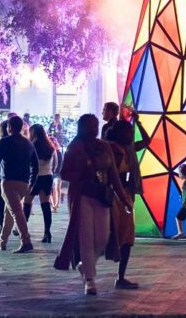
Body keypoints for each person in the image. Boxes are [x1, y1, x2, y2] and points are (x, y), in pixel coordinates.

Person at [54, 114, 132, 296]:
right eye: (90, 125)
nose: (94, 128)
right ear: (83, 127)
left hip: (103, 196)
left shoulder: (104, 146)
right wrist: (83, 173)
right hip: (82, 196)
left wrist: (123, 198)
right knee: (86, 237)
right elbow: (64, 173)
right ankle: (90, 280)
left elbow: (113, 174)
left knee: (103, 237)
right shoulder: (74, 148)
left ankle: (86, 266)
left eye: (95, 124)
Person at [0, 115, 39, 253]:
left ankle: (26, 241)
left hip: (8, 182)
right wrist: (31, 183)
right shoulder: (28, 143)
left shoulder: (4, 142)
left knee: (16, 212)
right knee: (10, 211)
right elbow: (35, 166)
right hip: (24, 183)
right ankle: (2, 241)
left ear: (9, 127)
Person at [107, 116, 149, 288]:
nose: (132, 135)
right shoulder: (110, 149)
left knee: (126, 235)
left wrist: (138, 123)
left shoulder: (129, 148)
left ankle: (121, 277)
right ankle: (87, 267)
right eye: (130, 132)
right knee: (110, 232)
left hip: (127, 192)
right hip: (113, 194)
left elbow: (147, 141)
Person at [24, 124, 57, 243]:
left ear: (33, 133)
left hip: (34, 178)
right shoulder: (51, 147)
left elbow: (27, 163)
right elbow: (55, 164)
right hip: (47, 177)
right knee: (45, 205)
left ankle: (23, 230)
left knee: (27, 203)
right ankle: (47, 233)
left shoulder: (31, 146)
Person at [50, 134, 64, 212]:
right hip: (51, 172)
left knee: (56, 187)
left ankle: (56, 203)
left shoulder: (58, 152)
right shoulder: (49, 151)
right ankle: (54, 204)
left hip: (57, 173)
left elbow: (60, 163)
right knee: (52, 189)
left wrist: (56, 171)